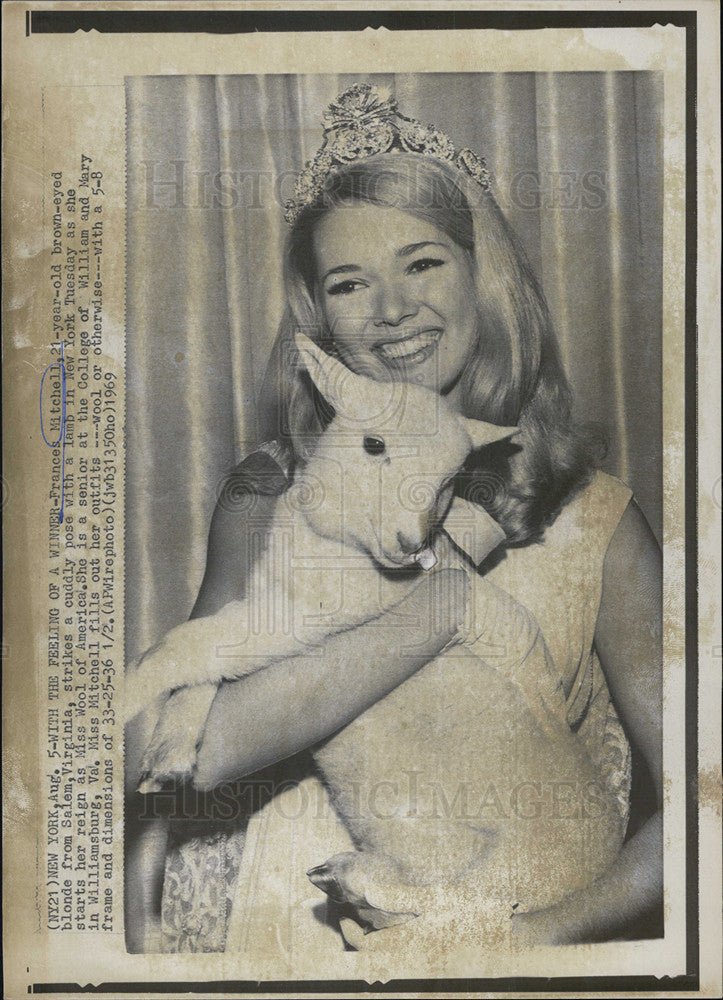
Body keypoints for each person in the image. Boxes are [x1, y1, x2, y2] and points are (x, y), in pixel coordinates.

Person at [124, 84, 662, 955]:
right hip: (287, 917)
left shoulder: (596, 519)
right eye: (348, 283)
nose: (389, 311)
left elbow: (703, 805)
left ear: (484, 275)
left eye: (421, 263)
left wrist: (515, 941)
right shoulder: (270, 491)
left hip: (504, 914)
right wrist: (435, 611)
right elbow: (180, 749)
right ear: (322, 324)